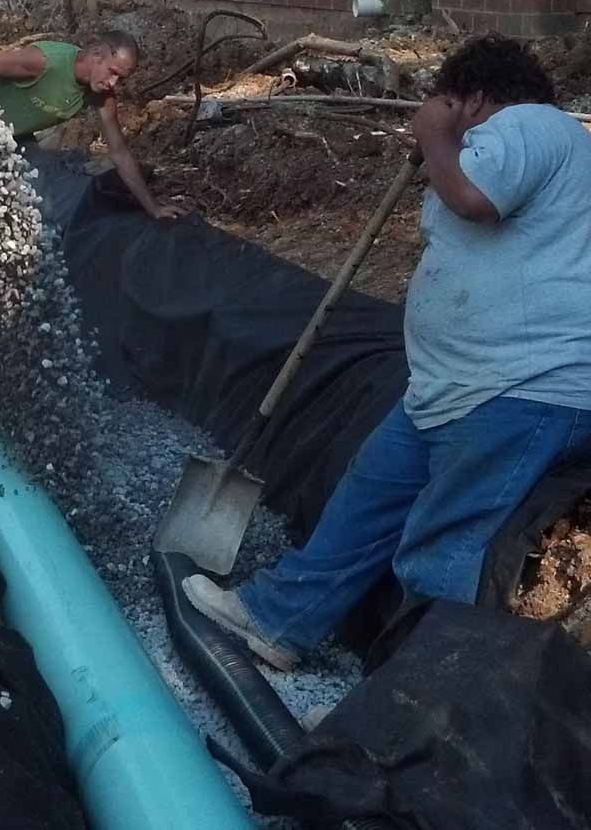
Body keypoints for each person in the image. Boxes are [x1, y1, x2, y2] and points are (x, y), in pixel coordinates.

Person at [185, 35, 591, 670]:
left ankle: (400, 715)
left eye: (445, 102)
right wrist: (443, 149)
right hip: (457, 386)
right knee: (369, 494)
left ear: (477, 97)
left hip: (524, 386)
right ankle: (279, 619)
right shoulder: (506, 145)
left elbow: (477, 202)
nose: (436, 112)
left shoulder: (533, 123)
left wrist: (435, 137)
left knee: (443, 547)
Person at [0, 31, 180, 219]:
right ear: (97, 55)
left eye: (121, 78)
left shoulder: (102, 95)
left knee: (36, 190)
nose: (113, 83)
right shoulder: (47, 61)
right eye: (112, 72)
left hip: (13, 137)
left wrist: (153, 208)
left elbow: (119, 152)